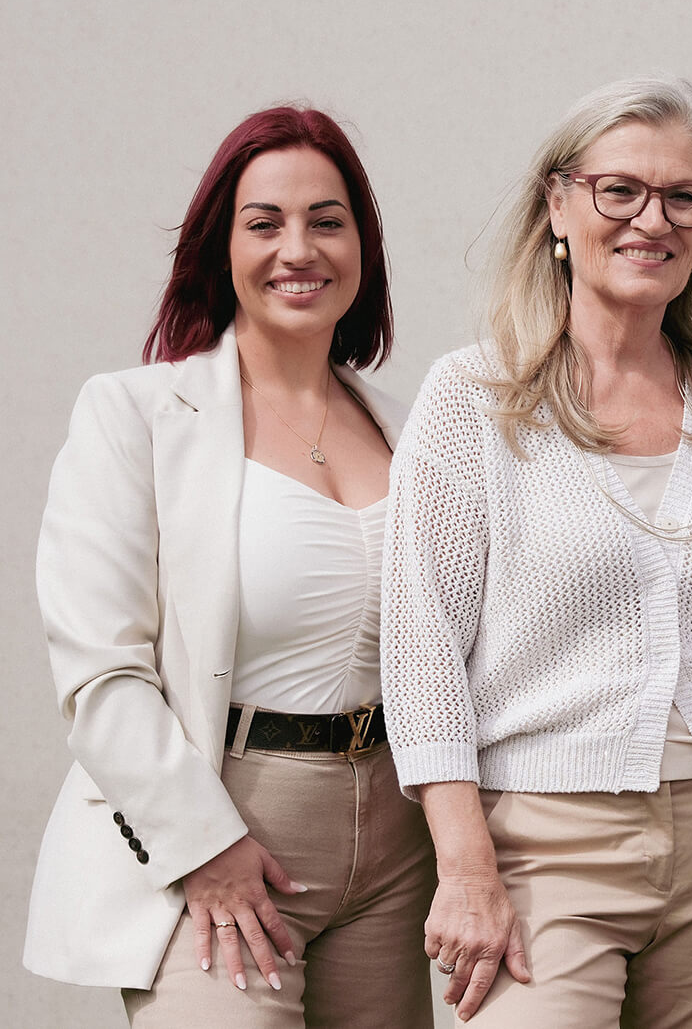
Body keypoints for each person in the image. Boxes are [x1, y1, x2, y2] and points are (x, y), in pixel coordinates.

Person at [382, 76, 692, 1027]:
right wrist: (464, 867)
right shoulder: (475, 400)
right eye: (619, 190)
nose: (651, 219)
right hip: (542, 843)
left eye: (682, 197)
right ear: (558, 204)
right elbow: (422, 645)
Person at [24, 107, 435, 1027]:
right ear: (222, 247)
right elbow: (100, 670)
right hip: (220, 829)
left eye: (327, 221)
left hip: (396, 850)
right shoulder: (134, 414)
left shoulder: (414, 431)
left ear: (362, 246)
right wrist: (203, 846)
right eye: (265, 223)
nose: (299, 249)